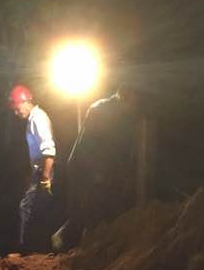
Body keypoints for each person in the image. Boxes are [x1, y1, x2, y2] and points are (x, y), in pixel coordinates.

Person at [55, 85, 144, 250]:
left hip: (88, 166)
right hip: (84, 167)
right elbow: (92, 144)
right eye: (134, 101)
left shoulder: (114, 112)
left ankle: (74, 243)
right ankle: (67, 245)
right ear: (124, 97)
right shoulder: (103, 111)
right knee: (89, 208)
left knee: (91, 208)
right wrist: (98, 172)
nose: (135, 105)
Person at [9, 84, 56, 252]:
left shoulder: (38, 119)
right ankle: (39, 249)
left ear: (25, 102)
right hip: (40, 171)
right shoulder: (33, 119)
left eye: (17, 108)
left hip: (44, 171)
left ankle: (28, 250)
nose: (16, 113)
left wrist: (45, 178)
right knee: (38, 210)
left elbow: (49, 150)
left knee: (27, 207)